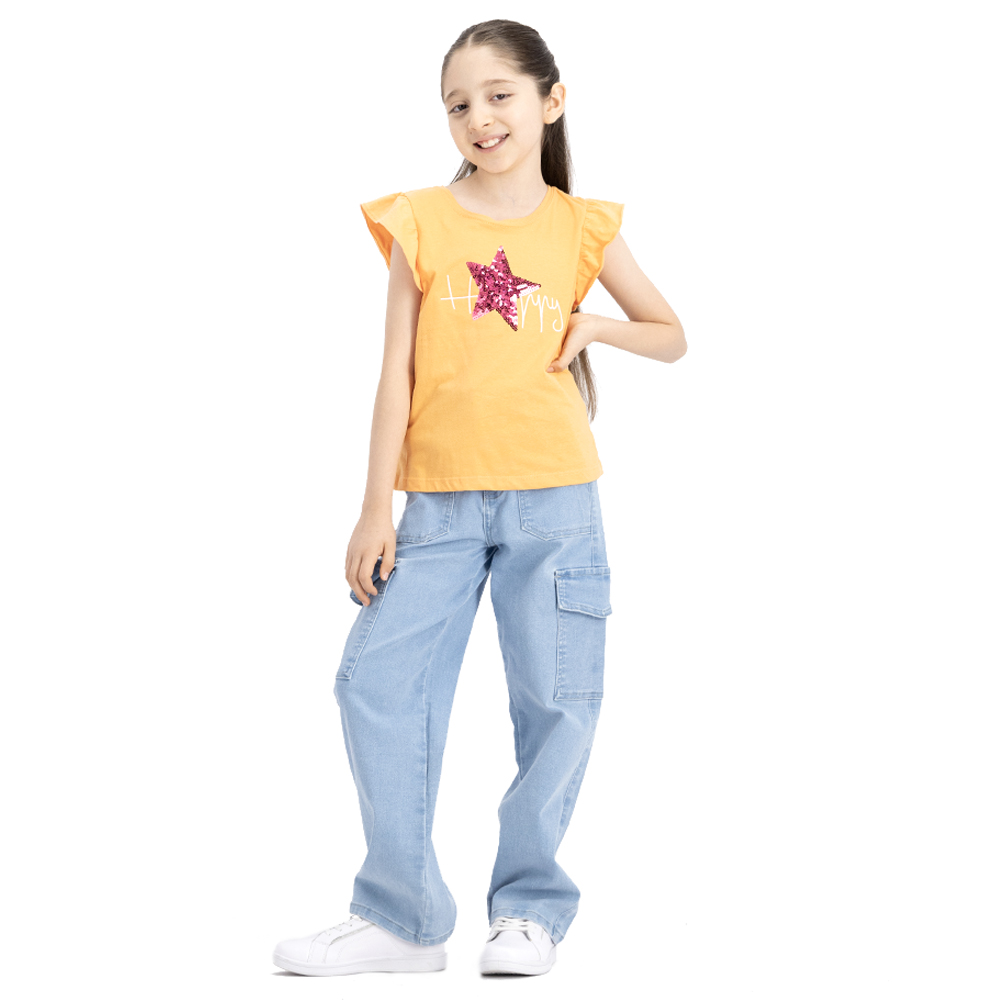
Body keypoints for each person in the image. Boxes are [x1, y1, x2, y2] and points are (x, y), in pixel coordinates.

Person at [272, 18, 686, 979]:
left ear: (552, 100)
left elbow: (671, 334)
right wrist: (373, 506)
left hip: (556, 500)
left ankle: (530, 911)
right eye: (458, 103)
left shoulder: (582, 227)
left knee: (556, 701)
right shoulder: (420, 220)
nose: (479, 117)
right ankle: (404, 918)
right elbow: (396, 371)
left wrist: (595, 327)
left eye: (500, 95)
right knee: (374, 682)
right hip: (439, 506)